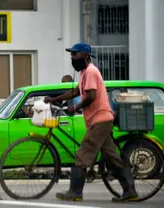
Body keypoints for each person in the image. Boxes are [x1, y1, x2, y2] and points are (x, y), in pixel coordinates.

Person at [45, 42, 138, 203]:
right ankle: (130, 191)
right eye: (71, 54)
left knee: (83, 154)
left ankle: (75, 192)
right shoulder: (84, 73)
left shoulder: (91, 71)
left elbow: (91, 96)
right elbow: (76, 91)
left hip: (100, 120)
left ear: (86, 56)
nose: (72, 57)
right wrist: (55, 99)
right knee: (112, 157)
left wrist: (76, 107)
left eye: (76, 54)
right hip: (100, 120)